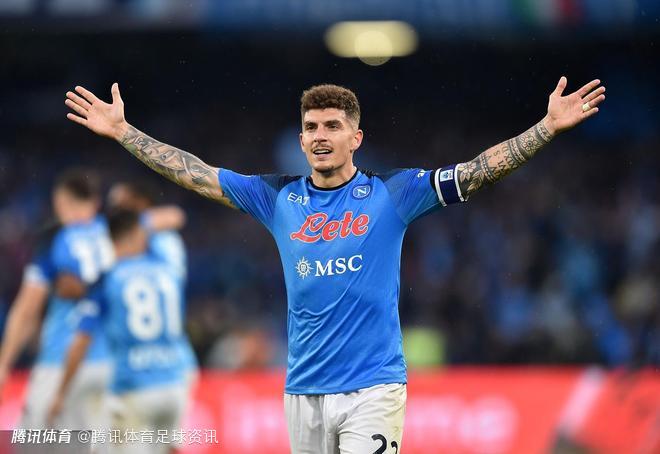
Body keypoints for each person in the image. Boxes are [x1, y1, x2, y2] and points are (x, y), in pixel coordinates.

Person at [63, 77, 606, 453]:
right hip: (303, 389)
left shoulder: (395, 192)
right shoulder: (276, 197)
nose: (320, 135)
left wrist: (544, 128)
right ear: (301, 139)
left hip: (373, 386)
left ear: (355, 137)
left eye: (332, 125)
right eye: (311, 127)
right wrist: (124, 132)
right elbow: (196, 173)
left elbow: (476, 171)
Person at [48, 209, 189, 454]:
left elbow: (81, 340)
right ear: (138, 234)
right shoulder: (167, 271)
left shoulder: (109, 280)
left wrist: (61, 392)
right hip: (175, 384)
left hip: (135, 387)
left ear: (110, 239)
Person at [0, 168, 113, 429]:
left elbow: (27, 308)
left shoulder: (54, 239)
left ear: (60, 201)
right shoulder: (117, 235)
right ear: (96, 201)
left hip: (60, 361)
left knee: (37, 442)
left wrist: (4, 362)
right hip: (111, 365)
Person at [108, 181, 198, 398]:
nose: (114, 214)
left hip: (153, 364)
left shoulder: (162, 241)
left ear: (141, 203)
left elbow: (176, 215)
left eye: (120, 206)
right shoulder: (162, 242)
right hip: (169, 361)